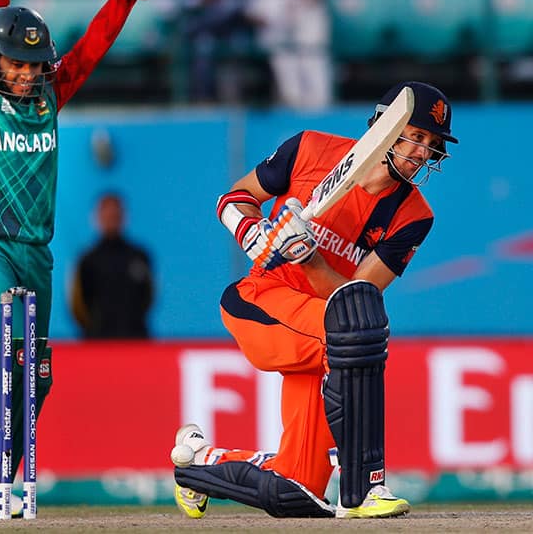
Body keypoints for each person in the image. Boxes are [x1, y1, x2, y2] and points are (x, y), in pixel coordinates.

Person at [0, 0, 163, 517]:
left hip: (34, 252)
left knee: (37, 378)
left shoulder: (48, 97)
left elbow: (94, 43)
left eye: (32, 64)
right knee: (5, 353)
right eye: (13, 61)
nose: (24, 72)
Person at [171, 81, 457, 519]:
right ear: (385, 127)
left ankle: (196, 464)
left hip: (325, 336)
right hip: (259, 300)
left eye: (431, 144)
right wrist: (256, 235)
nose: (421, 152)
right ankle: (364, 486)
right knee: (354, 331)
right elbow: (233, 199)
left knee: (294, 491)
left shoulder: (414, 216)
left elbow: (355, 296)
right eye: (415, 136)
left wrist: (310, 259)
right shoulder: (308, 148)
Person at [246, 0, 333, 109]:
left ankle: (322, 115)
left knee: (315, 72)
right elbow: (250, 11)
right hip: (276, 37)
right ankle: (295, 112)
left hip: (304, 36)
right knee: (290, 86)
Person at [70, 192, 154, 339]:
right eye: (107, 213)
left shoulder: (139, 257)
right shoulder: (87, 261)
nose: (111, 217)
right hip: (97, 342)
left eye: (115, 213)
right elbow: (78, 306)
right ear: (98, 217)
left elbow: (148, 297)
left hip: (136, 340)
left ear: (123, 216)